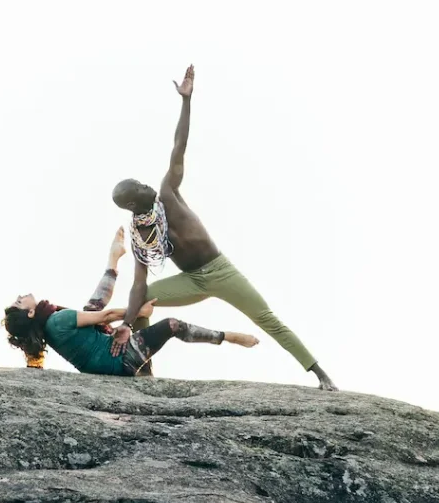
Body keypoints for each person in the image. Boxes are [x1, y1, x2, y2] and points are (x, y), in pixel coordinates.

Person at [111, 66, 338, 390]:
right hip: (191, 280)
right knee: (143, 298)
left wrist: (186, 101)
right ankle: (145, 368)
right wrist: (126, 322)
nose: (146, 184)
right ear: (132, 203)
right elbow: (138, 285)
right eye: (138, 187)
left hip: (220, 270)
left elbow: (179, 145)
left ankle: (320, 373)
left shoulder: (168, 194)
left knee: (266, 318)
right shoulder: (139, 237)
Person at [3, 228, 259, 376]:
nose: (21, 296)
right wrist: (137, 311)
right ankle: (228, 337)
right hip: (120, 361)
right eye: (19, 302)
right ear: (30, 313)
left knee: (91, 309)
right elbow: (106, 316)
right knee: (171, 324)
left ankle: (113, 259)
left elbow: (96, 313)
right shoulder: (58, 319)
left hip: (109, 362)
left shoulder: (51, 327)